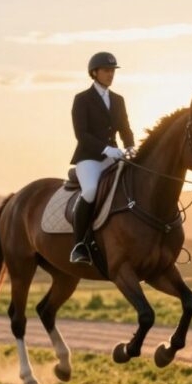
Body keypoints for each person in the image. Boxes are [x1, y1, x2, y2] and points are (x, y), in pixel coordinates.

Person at [69, 51, 136, 264]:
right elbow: (82, 134)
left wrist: (131, 146)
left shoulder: (118, 100)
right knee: (90, 191)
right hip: (89, 158)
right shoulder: (82, 99)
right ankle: (80, 244)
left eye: (112, 71)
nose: (110, 75)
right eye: (106, 71)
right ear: (94, 72)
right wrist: (106, 149)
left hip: (114, 156)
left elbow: (125, 128)